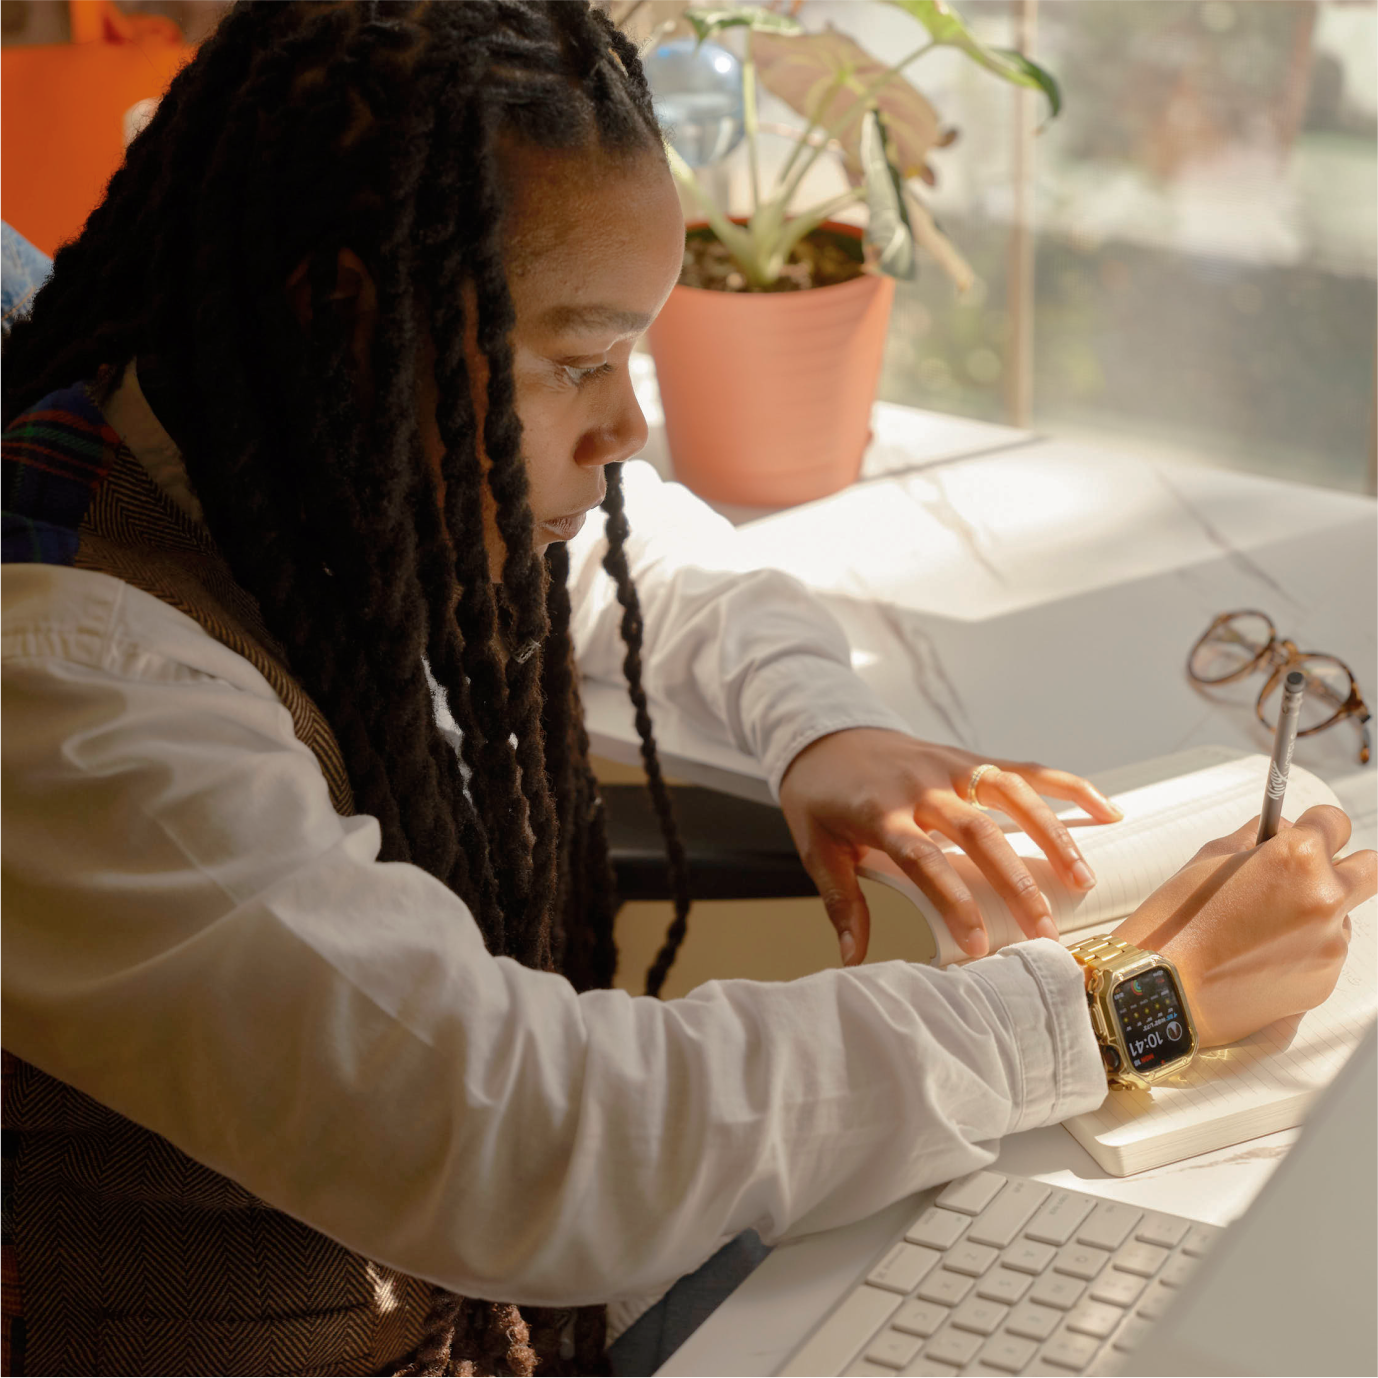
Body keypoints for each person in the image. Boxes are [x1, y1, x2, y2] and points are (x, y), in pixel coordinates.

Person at [0, 1, 1371, 1375]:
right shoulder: (72, 693)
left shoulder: (307, 452)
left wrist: (815, 726)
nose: (627, 425)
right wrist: (1115, 1001)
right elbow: (521, 1134)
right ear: (343, 323)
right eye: (582, 358)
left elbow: (635, 555)